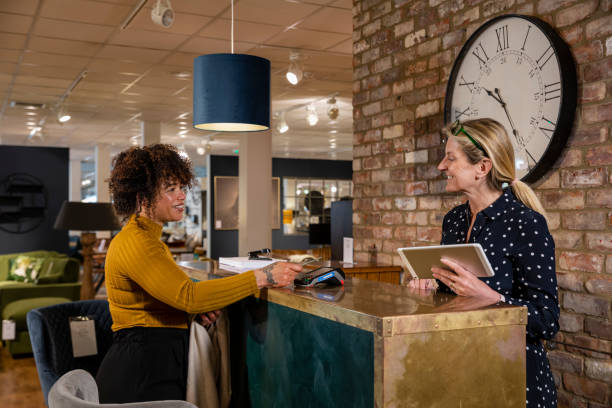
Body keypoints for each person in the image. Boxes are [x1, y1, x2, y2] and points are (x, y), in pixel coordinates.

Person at [95, 144, 302, 403]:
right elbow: (188, 295)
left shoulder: (147, 239)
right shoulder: (136, 241)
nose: (182, 195)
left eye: (182, 187)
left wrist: (191, 314)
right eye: (171, 189)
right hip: (141, 372)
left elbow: (162, 302)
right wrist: (263, 276)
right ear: (142, 197)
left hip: (155, 361)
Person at [409, 118, 559, 408]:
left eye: (450, 158)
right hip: (461, 371)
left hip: (513, 379)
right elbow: (452, 302)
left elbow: (548, 321)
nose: (441, 166)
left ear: (482, 168)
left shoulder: (526, 223)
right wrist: (430, 290)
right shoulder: (453, 221)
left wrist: (491, 298)